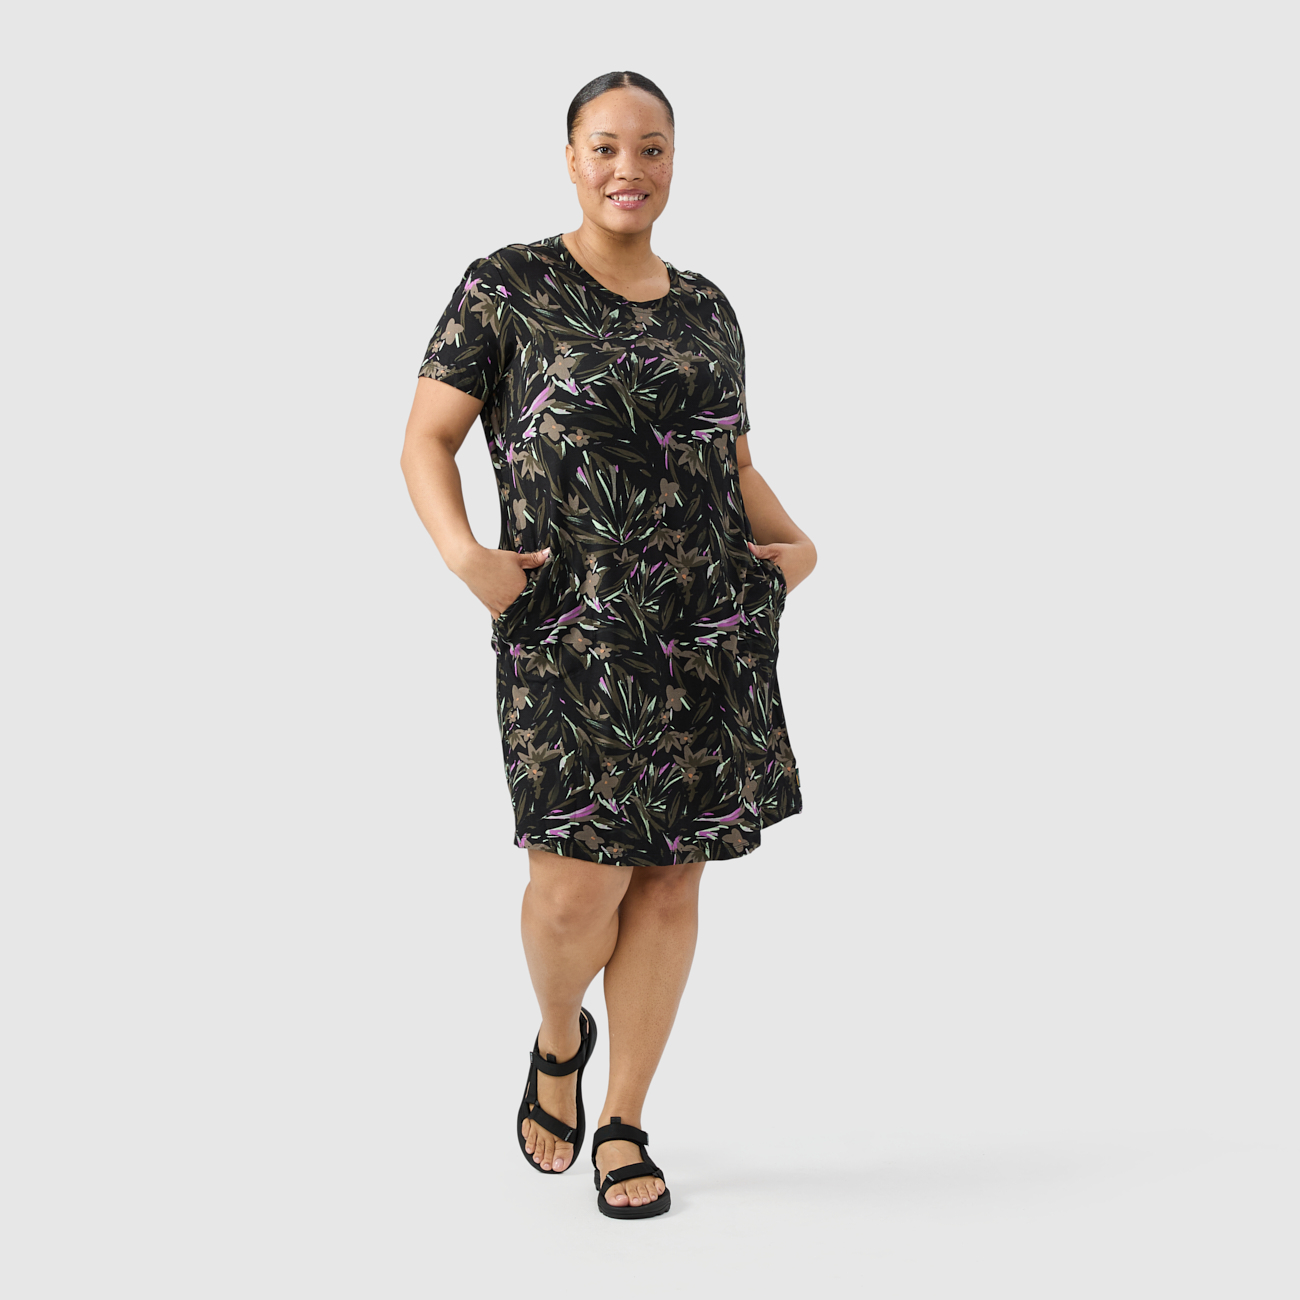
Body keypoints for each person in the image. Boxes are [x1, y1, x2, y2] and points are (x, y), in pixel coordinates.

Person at [399, 70, 816, 1219]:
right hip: (568, 635)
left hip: (706, 629)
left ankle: (625, 1119)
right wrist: (466, 556)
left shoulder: (708, 306)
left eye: (652, 147)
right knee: (572, 887)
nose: (629, 168)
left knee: (670, 879)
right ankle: (557, 1037)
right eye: (605, 146)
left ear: (674, 159)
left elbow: (729, 462)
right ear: (571, 157)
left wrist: (796, 545)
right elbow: (426, 439)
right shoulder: (507, 286)